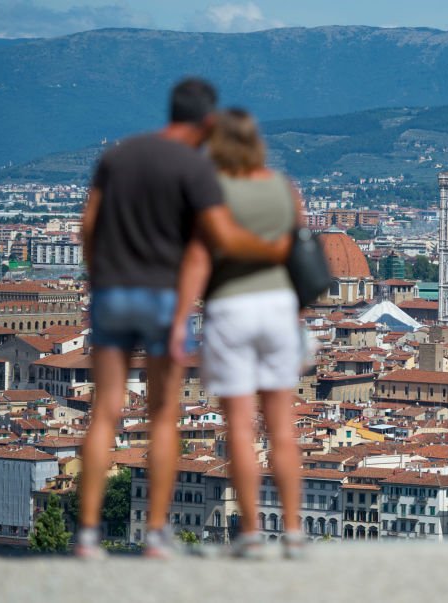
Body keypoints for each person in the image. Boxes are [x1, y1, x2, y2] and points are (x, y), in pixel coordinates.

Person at [77, 79, 290, 560]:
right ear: (208, 123)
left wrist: (100, 274)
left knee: (105, 410)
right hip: (160, 297)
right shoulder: (195, 168)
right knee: (163, 416)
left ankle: (87, 535)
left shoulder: (120, 155)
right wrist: (275, 249)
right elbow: (220, 238)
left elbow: (88, 226)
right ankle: (155, 533)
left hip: (111, 292)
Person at [170, 108, 305, 560]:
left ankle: (250, 533)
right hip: (278, 309)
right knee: (282, 431)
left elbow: (195, 261)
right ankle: (292, 532)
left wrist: (179, 321)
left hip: (231, 311)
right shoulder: (284, 190)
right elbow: (299, 255)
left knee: (242, 431)